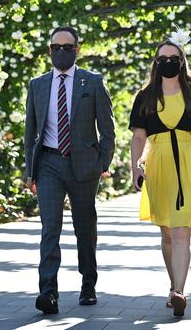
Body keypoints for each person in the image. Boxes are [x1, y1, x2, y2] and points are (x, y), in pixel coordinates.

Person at [24, 25, 115, 315]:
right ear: (49, 50)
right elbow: (30, 132)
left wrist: (103, 163)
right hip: (49, 163)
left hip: (85, 166)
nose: (60, 52)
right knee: (50, 227)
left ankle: (88, 284)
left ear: (77, 49)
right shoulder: (37, 85)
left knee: (84, 228)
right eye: (55, 47)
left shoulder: (93, 82)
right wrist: (30, 171)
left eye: (67, 47)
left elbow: (108, 128)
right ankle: (48, 292)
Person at [129, 35, 191, 318]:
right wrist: (135, 167)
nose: (168, 63)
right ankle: (173, 285)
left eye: (174, 59)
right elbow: (138, 136)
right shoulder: (145, 96)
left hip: (189, 163)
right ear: (156, 63)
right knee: (167, 232)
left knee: (182, 231)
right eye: (163, 59)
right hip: (158, 165)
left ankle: (179, 290)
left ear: (182, 62)